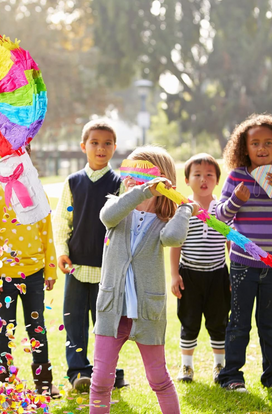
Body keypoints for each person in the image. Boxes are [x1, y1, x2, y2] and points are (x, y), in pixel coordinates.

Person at [89, 145, 199, 414]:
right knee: (101, 380)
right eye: (130, 172)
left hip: (147, 311)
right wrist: (138, 191)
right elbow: (107, 217)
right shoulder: (115, 206)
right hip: (111, 308)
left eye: (142, 174)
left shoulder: (165, 221)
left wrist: (185, 210)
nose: (133, 179)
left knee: (158, 378)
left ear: (162, 180)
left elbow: (173, 238)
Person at [0, 146, 61, 399]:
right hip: (4, 277)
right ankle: (3, 382)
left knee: (37, 328)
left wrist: (50, 268)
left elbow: (47, 232)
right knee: (5, 328)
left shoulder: (38, 193)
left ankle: (43, 381)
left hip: (35, 274)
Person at [216, 114, 272, 393]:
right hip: (244, 263)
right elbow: (220, 216)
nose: (262, 148)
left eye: (268, 143)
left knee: (268, 324)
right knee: (239, 323)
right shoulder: (236, 176)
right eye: (255, 143)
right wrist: (237, 200)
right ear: (243, 148)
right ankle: (231, 375)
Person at [53, 119, 127, 391]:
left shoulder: (119, 184)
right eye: (94, 143)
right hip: (75, 268)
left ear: (114, 148)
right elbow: (62, 221)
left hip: (107, 270)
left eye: (107, 143)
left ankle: (108, 371)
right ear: (83, 146)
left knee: (107, 325)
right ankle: (78, 373)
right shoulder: (73, 182)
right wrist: (62, 251)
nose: (101, 148)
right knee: (74, 323)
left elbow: (123, 225)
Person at [170, 153, 230, 384]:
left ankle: (220, 366)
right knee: (189, 320)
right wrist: (175, 275)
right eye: (197, 175)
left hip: (218, 275)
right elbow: (176, 244)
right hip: (189, 275)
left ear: (217, 180)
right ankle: (186, 367)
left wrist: (232, 276)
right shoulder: (183, 209)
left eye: (209, 175)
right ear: (187, 180)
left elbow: (230, 244)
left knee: (218, 321)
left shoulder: (223, 210)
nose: (203, 179)